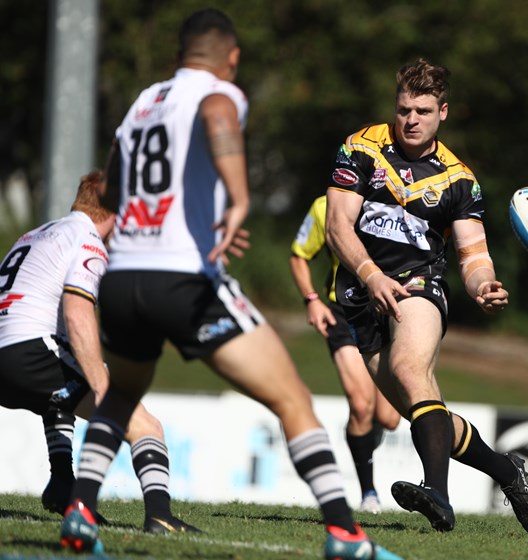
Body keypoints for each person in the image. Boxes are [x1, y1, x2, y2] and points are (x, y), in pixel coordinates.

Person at [58, 10, 401, 560]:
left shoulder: (142, 103)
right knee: (293, 399)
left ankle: (80, 508)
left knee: (120, 397)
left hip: (122, 279)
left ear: (178, 53)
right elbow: (217, 111)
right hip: (183, 279)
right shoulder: (220, 91)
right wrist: (238, 199)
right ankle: (344, 532)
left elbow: (116, 188)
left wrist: (192, 216)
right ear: (231, 58)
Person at [324, 58, 528, 536]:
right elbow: (336, 225)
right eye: (404, 108)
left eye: (423, 110)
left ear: (442, 112)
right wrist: (368, 275)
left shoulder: (459, 179)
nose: (411, 119)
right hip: (359, 292)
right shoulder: (360, 148)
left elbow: (473, 255)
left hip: (417, 283)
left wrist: (483, 286)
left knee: (410, 369)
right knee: (423, 411)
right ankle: (509, 472)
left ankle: (437, 495)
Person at [0, 170, 196, 534]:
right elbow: (78, 311)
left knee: (59, 395)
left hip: (9, 351)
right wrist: (104, 386)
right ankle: (160, 515)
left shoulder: (36, 234)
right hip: (29, 352)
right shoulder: (88, 239)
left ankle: (62, 484)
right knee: (145, 424)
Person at [289, 195, 402, 514]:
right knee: (361, 403)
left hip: (386, 312)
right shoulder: (324, 207)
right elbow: (298, 255)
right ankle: (368, 493)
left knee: (389, 418)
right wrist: (311, 299)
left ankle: (364, 433)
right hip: (342, 312)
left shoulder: (397, 204)